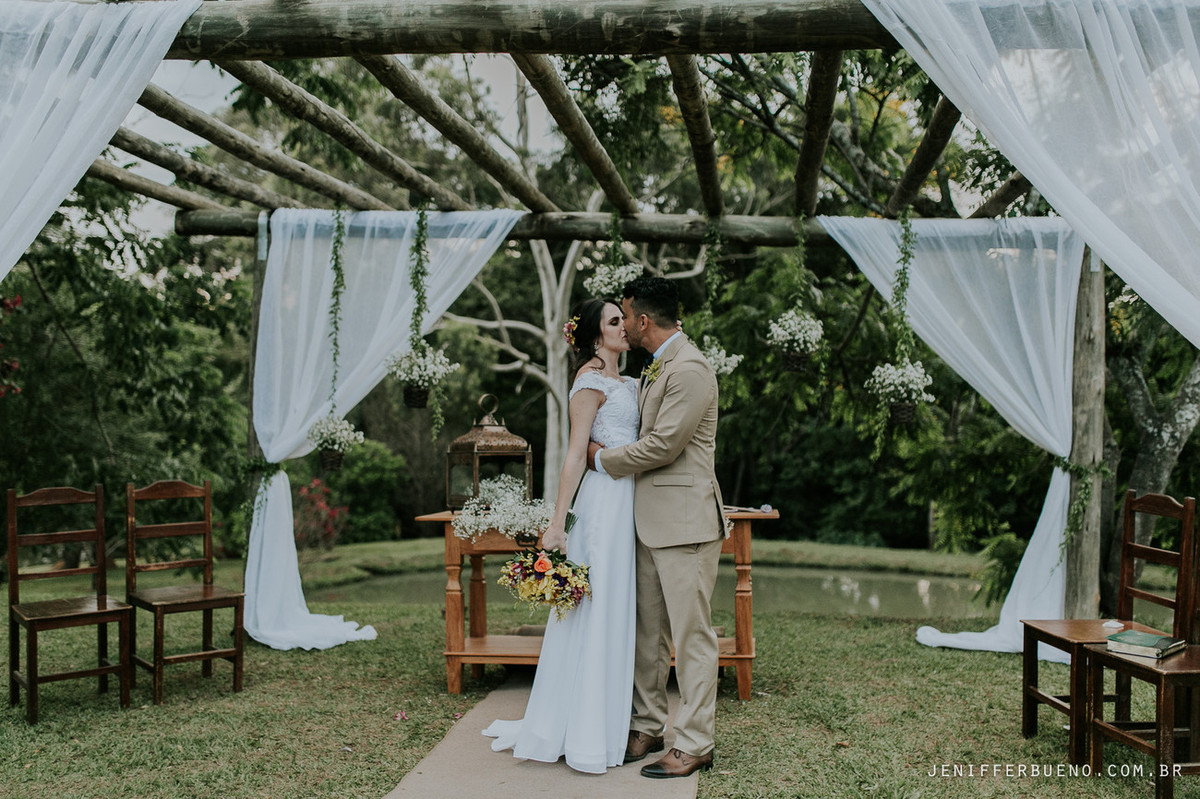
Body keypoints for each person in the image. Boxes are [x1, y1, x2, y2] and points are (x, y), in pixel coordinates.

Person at [482, 297, 639, 774]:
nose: (625, 327)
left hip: (629, 504)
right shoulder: (589, 382)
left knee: (616, 609)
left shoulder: (630, 381)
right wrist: (557, 522)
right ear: (596, 335)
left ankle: (609, 724)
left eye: (624, 319)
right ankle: (583, 730)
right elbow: (574, 454)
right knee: (593, 610)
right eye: (615, 321)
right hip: (601, 505)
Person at [589, 276, 725, 779]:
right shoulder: (654, 366)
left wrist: (601, 461)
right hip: (646, 523)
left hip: (686, 524)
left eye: (624, 315)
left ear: (643, 320)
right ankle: (647, 724)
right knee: (647, 634)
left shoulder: (690, 368)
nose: (623, 323)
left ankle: (694, 742)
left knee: (691, 637)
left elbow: (663, 446)